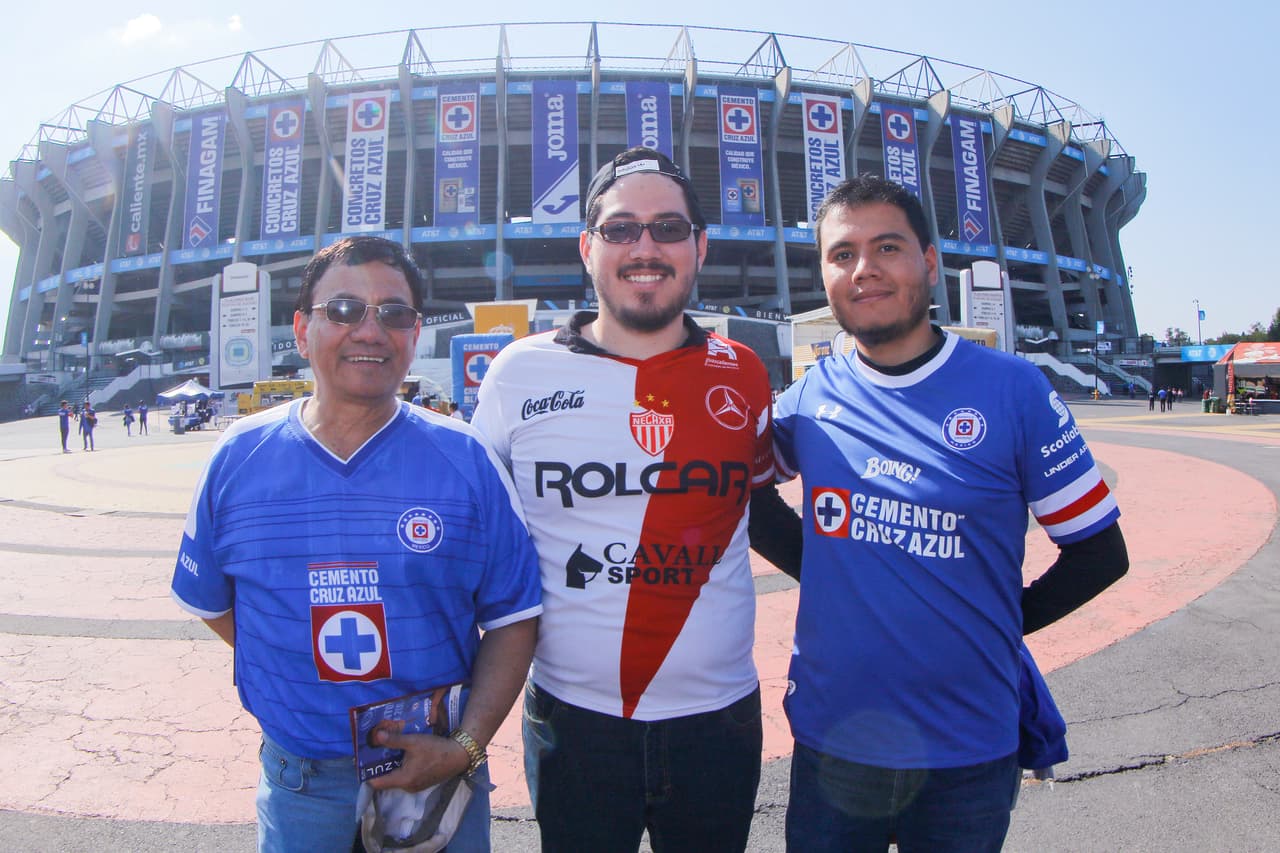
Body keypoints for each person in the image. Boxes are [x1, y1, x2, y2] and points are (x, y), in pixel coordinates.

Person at [769, 175, 1129, 853]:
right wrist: (825, 574)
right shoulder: (809, 396)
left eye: (887, 247)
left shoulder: (1013, 389)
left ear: (930, 263)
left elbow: (1101, 553)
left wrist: (990, 621)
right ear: (823, 274)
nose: (864, 269)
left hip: (966, 752)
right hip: (832, 743)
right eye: (842, 254)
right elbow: (749, 497)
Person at [170, 235, 542, 853]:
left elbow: (514, 618)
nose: (370, 330)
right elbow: (211, 601)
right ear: (301, 329)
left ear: (414, 334)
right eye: (342, 310)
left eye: (394, 313)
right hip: (302, 784)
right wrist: (290, 660)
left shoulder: (466, 459)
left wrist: (464, 747)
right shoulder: (238, 456)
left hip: (438, 779)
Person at [471, 147, 776, 853]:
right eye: (620, 229)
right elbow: (477, 536)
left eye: (669, 228)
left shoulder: (745, 371)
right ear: (587, 247)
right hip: (574, 721)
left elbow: (760, 509)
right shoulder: (518, 373)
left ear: (700, 246)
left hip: (719, 720)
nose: (646, 247)